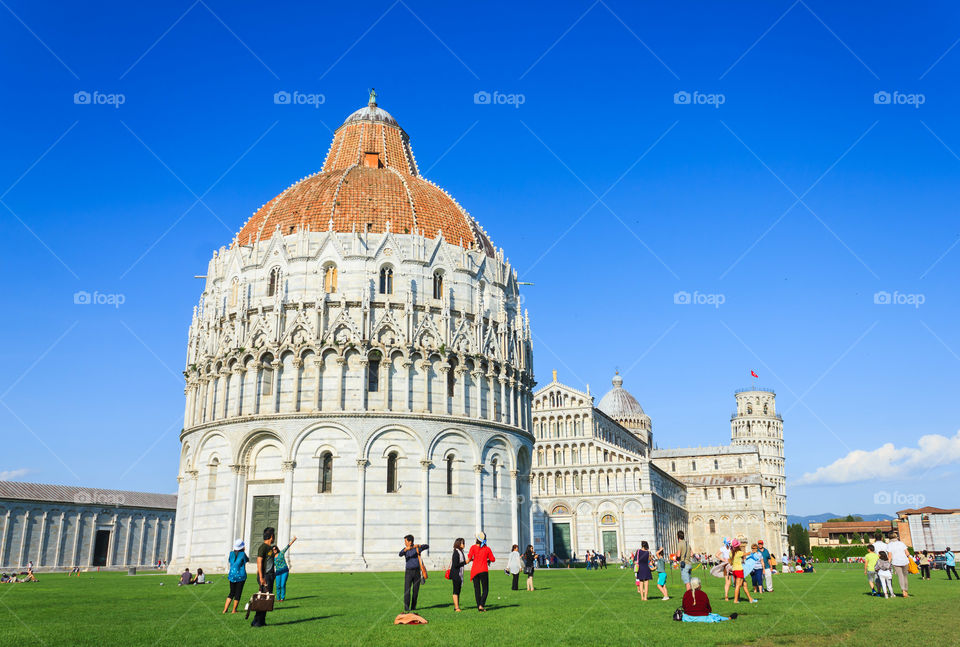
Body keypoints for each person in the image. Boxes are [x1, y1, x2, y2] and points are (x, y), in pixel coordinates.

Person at [251, 526, 276, 628]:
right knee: (263, 600)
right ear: (271, 536)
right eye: (273, 535)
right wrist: (261, 577)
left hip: (269, 575)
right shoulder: (263, 547)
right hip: (265, 576)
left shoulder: (270, 548)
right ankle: (257, 622)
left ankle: (260, 620)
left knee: (266, 599)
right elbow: (259, 561)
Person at [466, 531, 495, 611]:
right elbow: (493, 559)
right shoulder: (487, 549)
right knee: (485, 589)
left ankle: (479, 605)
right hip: (483, 570)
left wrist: (472, 559)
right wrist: (488, 559)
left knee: (477, 590)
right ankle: (481, 605)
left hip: (475, 570)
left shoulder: (473, 547)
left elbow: (469, 558)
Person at [399, 534, 428, 613]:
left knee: (416, 590)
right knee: (407, 590)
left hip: (417, 572)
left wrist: (417, 545)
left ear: (410, 541)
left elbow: (426, 546)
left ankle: (413, 606)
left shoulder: (417, 548)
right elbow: (400, 554)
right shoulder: (405, 549)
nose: (405, 543)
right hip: (408, 572)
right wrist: (406, 549)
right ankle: (406, 607)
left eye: (405, 541)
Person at [224, 539, 248, 614]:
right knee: (238, 593)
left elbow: (230, 561)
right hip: (240, 576)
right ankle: (234, 610)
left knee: (231, 593)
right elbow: (246, 560)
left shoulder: (231, 553)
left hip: (231, 575)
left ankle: (225, 609)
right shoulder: (243, 554)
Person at [272, 536, 297, 602]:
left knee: (282, 584)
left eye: (275, 549)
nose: (274, 550)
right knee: (278, 586)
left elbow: (287, 546)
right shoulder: (272, 557)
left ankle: (282, 598)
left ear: (277, 549)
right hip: (278, 572)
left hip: (284, 571)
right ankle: (278, 598)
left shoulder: (281, 553)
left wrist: (293, 540)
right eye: (273, 550)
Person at [886, 532, 910, 597]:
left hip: (896, 562)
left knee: (900, 576)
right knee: (905, 576)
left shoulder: (889, 545)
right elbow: (907, 553)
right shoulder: (901, 543)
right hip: (905, 561)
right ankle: (906, 591)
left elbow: (890, 556)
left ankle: (903, 591)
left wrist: (888, 564)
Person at [450, 538, 467, 611]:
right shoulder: (456, 552)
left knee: (458, 590)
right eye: (462, 543)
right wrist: (465, 562)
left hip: (459, 574)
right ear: (458, 544)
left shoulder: (461, 552)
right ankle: (456, 607)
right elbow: (456, 564)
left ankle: (456, 606)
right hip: (456, 574)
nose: (464, 545)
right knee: (456, 590)